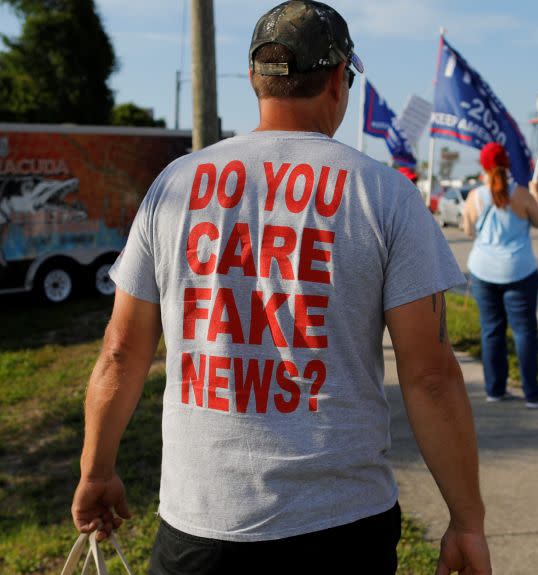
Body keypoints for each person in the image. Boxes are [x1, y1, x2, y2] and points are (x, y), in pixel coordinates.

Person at [70, 2, 490, 574]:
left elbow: (121, 352)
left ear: (254, 80)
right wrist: (466, 522)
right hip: (342, 527)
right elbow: (432, 377)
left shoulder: (174, 188)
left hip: (203, 523)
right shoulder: (385, 195)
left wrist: (96, 470)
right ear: (340, 80)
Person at [461, 143, 538, 408]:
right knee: (524, 332)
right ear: (508, 164)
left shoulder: (475, 197)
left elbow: (468, 230)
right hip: (519, 270)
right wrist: (537, 195)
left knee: (491, 331)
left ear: (483, 167)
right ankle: (533, 394)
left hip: (483, 270)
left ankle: (495, 389)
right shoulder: (521, 194)